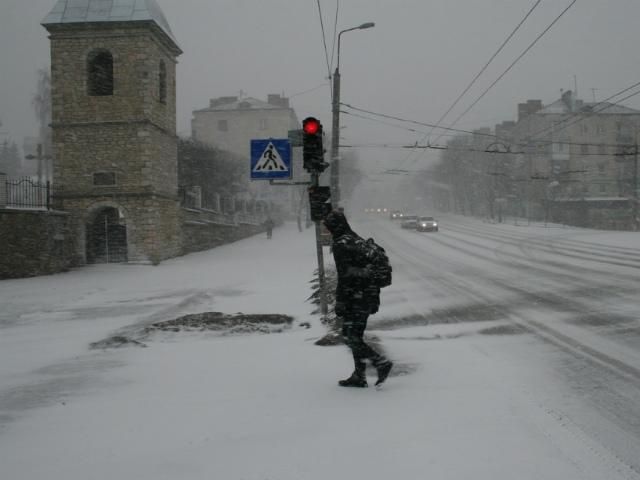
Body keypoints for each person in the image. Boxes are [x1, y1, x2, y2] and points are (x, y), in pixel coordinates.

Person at [323, 209, 393, 388]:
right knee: (355, 335)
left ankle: (380, 363)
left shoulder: (341, 244)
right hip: (368, 294)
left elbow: (345, 276)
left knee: (350, 336)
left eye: (329, 226)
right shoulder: (356, 239)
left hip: (356, 297)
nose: (329, 230)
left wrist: (340, 301)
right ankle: (359, 376)